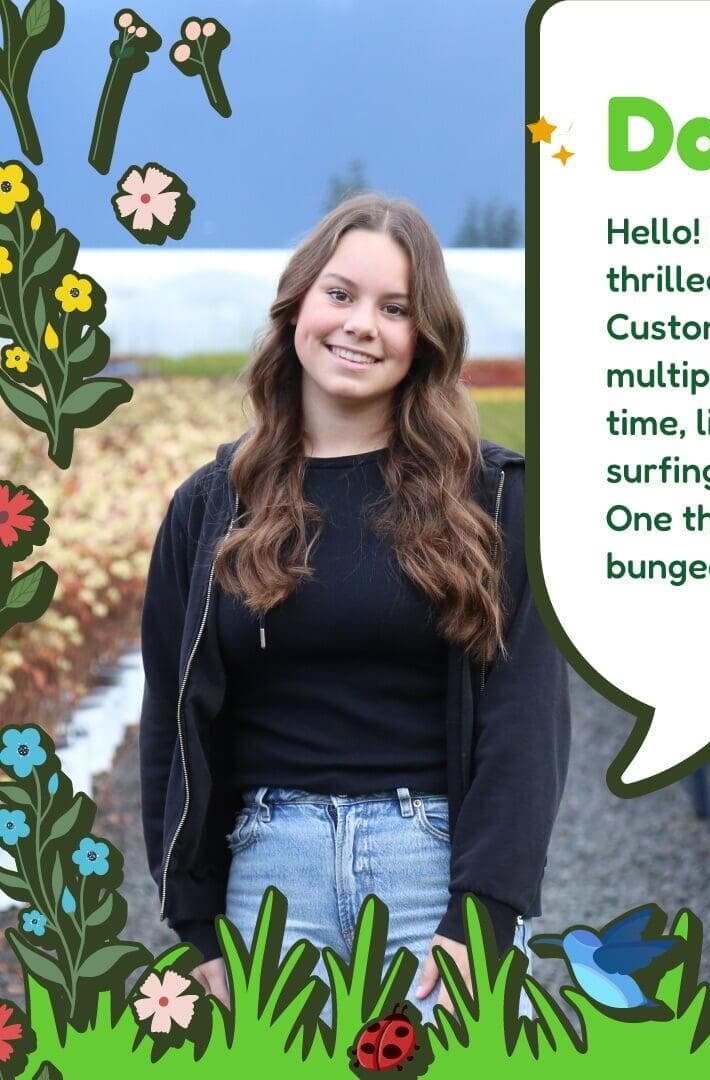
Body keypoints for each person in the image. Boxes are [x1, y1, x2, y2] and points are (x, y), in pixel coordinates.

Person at [138, 193, 570, 1024]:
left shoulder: (493, 500)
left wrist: (483, 908)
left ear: (424, 337)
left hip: (429, 869)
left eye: (396, 308)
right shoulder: (211, 506)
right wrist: (192, 927)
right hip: (266, 874)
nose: (361, 325)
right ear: (297, 305)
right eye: (340, 294)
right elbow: (169, 718)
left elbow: (528, 718)